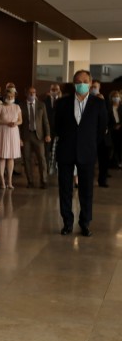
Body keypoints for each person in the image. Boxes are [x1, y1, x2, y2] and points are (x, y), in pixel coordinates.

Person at [56, 69, 107, 237]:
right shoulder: (62, 103)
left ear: (91, 83)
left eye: (85, 81)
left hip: (87, 152)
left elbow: (101, 130)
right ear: (73, 83)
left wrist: (90, 144)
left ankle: (85, 223)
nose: (82, 84)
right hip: (66, 151)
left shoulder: (98, 104)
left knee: (86, 190)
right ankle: (67, 223)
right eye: (78, 81)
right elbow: (57, 126)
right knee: (65, 189)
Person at [19, 86, 50, 188]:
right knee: (27, 159)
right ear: (26, 93)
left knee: (41, 158)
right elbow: (19, 124)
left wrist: (48, 134)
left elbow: (45, 121)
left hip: (39, 136)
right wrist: (19, 138)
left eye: (34, 92)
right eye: (30, 92)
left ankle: (44, 180)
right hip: (26, 136)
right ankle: (30, 181)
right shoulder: (21, 106)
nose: (32, 94)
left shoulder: (41, 105)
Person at [0, 89, 22, 189]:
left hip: (13, 133)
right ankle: (2, 181)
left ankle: (9, 181)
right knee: (2, 157)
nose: (10, 98)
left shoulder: (17, 107)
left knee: (11, 157)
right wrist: (5, 123)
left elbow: (20, 120)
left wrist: (16, 123)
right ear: (5, 97)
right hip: (2, 132)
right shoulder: (0, 107)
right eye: (8, 97)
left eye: (12, 97)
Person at [43, 84, 61, 171]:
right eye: (52, 89)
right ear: (49, 90)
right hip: (47, 129)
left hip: (58, 129)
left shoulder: (62, 101)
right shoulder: (45, 100)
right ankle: (47, 168)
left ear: (59, 90)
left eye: (56, 89)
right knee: (47, 150)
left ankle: (57, 167)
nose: (54, 91)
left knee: (58, 150)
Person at [108, 90, 122, 168]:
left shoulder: (121, 107)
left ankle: (119, 161)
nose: (116, 98)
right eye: (114, 97)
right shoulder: (109, 107)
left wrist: (120, 125)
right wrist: (113, 126)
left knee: (119, 146)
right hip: (112, 129)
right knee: (113, 146)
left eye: (117, 96)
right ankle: (114, 162)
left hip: (120, 129)